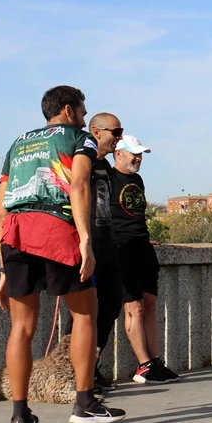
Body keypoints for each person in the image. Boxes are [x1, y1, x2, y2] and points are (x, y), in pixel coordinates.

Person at [0, 86, 126, 423]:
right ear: (68, 110)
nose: (84, 118)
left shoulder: (18, 144)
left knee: (21, 328)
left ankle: (20, 417)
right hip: (55, 229)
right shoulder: (77, 138)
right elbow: (79, 184)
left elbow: (1, 206)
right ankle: (85, 403)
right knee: (85, 312)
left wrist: (4, 266)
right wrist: (85, 240)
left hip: (15, 235)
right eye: (83, 112)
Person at [111, 135, 178, 384]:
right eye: (133, 153)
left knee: (149, 304)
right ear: (118, 154)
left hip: (141, 246)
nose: (138, 158)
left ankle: (156, 361)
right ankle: (143, 366)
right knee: (134, 307)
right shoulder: (106, 178)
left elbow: (135, 215)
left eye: (140, 154)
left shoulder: (137, 179)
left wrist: (144, 239)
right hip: (120, 248)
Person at [87, 113, 126, 392]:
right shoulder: (83, 160)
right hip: (87, 246)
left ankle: (92, 365)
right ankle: (75, 372)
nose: (119, 137)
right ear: (97, 131)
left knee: (111, 306)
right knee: (84, 312)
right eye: (116, 131)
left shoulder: (106, 167)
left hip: (109, 244)